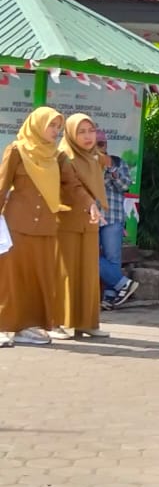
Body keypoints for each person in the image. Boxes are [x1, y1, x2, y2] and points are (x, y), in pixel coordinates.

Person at [0, 107, 73, 347]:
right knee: (10, 278)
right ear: (37, 124)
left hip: (46, 228)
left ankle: (26, 328)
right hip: (16, 225)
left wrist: (90, 205)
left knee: (37, 279)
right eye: (51, 125)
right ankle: (3, 326)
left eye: (58, 127)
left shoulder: (57, 156)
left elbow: (73, 185)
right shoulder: (17, 151)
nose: (55, 131)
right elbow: (1, 187)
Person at [51, 113, 108, 340]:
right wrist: (90, 205)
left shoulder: (94, 158)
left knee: (88, 274)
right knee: (65, 273)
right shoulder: (64, 156)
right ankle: (57, 323)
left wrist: (93, 208)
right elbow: (73, 187)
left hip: (89, 223)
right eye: (81, 132)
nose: (87, 136)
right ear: (71, 134)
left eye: (91, 131)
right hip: (67, 221)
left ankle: (86, 322)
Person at [96, 129, 139, 309]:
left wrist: (110, 168)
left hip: (112, 217)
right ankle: (123, 283)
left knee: (113, 257)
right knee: (91, 255)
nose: (100, 148)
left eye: (102, 144)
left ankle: (110, 297)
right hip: (91, 216)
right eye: (96, 144)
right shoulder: (86, 163)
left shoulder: (117, 162)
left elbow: (124, 186)